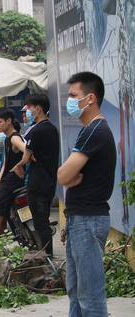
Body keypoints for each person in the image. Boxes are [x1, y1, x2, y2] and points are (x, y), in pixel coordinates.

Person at [57, 72, 115, 317]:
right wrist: (70, 176)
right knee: (76, 294)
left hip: (87, 221)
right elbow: (67, 177)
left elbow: (62, 176)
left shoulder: (94, 130)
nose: (69, 101)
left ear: (90, 98)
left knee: (90, 298)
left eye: (73, 96)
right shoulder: (90, 130)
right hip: (79, 219)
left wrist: (70, 176)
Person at [11, 93, 59, 257]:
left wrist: (21, 163)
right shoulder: (53, 129)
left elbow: (26, 157)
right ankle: (47, 253)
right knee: (43, 219)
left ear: (38, 109)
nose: (28, 111)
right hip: (50, 182)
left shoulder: (37, 131)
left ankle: (47, 256)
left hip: (37, 183)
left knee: (40, 223)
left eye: (29, 108)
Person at [0, 107, 26, 236]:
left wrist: (20, 165)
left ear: (9, 121)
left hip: (12, 183)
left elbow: (27, 150)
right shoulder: (7, 139)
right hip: (6, 182)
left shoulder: (15, 138)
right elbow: (4, 165)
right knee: (1, 217)